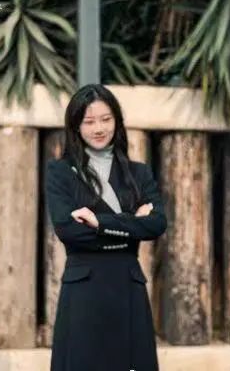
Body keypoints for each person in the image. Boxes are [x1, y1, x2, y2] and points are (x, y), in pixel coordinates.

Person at [45, 84, 166, 371]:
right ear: (75, 126)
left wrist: (100, 222)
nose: (98, 128)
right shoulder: (60, 172)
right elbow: (67, 229)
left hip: (128, 286)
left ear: (117, 121)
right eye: (89, 122)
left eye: (105, 119)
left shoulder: (138, 172)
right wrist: (132, 222)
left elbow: (156, 224)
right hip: (83, 290)